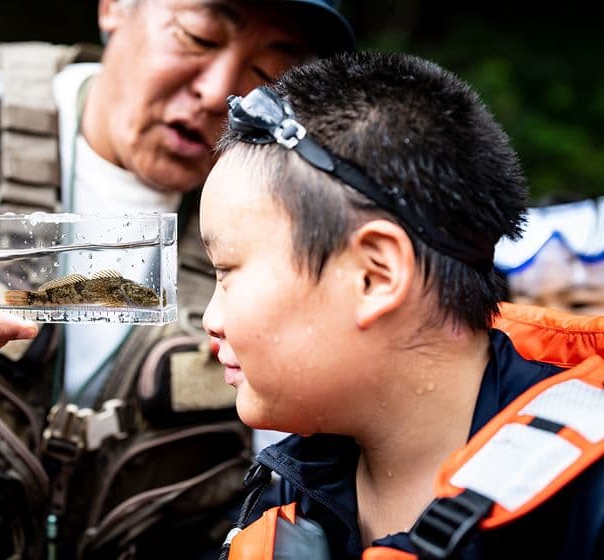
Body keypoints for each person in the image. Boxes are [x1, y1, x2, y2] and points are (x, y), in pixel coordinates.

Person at [0, 1, 356, 558]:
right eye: (198, 37)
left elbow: (295, 475)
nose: (216, 91)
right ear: (115, 8)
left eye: (266, 69)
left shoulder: (276, 214)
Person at [199, 52, 604, 559]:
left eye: (227, 271)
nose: (210, 320)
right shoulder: (293, 488)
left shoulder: (587, 506)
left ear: (375, 275)